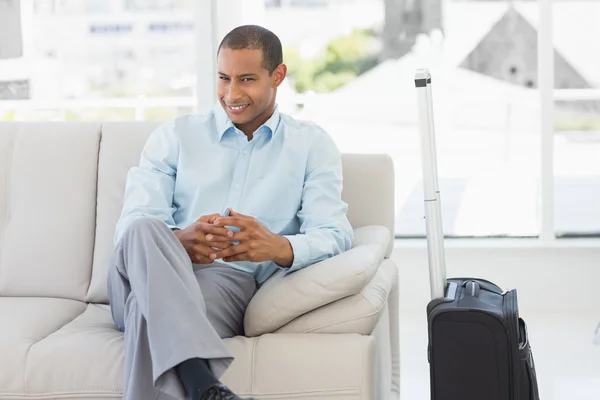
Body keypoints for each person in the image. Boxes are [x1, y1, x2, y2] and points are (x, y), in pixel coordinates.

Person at [107, 25, 354, 400]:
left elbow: (335, 233)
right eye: (223, 79)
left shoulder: (311, 146)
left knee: (149, 312)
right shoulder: (175, 135)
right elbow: (130, 227)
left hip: (221, 285)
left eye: (247, 80)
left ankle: (198, 385)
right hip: (137, 269)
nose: (232, 94)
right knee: (143, 230)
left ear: (278, 76)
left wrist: (276, 246)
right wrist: (178, 241)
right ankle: (206, 387)